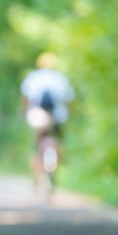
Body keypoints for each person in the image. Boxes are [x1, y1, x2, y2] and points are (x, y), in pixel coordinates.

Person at [20, 52, 74, 185]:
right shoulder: (60, 78)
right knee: (58, 140)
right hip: (57, 115)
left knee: (37, 142)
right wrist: (70, 113)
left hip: (37, 115)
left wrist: (24, 110)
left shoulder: (33, 77)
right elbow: (69, 99)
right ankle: (55, 165)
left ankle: (37, 172)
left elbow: (26, 98)